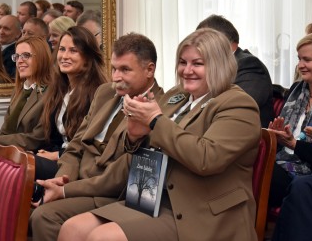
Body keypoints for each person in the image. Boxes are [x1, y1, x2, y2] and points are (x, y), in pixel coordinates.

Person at [57, 28, 261, 241]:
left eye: (197, 64)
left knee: (103, 238)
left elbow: (206, 158)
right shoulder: (177, 96)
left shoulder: (238, 104)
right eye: (183, 62)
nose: (187, 70)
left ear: (219, 65)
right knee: (72, 229)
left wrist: (155, 120)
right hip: (150, 198)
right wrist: (135, 137)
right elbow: (146, 147)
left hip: (199, 211)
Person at [29, 32, 164, 241]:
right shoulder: (105, 93)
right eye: (114, 69)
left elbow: (120, 177)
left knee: (44, 216)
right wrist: (61, 180)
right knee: (31, 204)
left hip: (108, 193)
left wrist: (66, 190)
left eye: (125, 70)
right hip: (77, 180)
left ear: (149, 70)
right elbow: (75, 147)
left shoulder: (158, 110)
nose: (116, 77)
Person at [35, 26, 108, 179]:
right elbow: (54, 137)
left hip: (79, 166)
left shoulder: (99, 93)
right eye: (62, 49)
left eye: (73, 51)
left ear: (88, 58)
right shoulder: (59, 90)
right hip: (60, 159)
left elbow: (91, 146)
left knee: (24, 166)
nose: (64, 56)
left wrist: (55, 155)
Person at [268, 31, 312, 209]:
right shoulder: (296, 90)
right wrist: (273, 136)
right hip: (282, 164)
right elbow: (283, 140)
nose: (300, 65)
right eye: (299, 59)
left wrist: (293, 144)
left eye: (307, 60)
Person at [197, 14, 274, 127]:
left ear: (221, 40)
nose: (197, 47)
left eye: (201, 42)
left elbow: (235, 108)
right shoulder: (212, 67)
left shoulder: (249, 65)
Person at [0, 36, 52, 151]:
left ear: (41, 58)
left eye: (26, 55)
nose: (20, 61)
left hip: (33, 155)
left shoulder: (51, 92)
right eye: (17, 56)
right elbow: (5, 130)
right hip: (10, 152)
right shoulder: (19, 91)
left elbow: (36, 138)